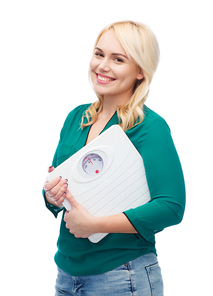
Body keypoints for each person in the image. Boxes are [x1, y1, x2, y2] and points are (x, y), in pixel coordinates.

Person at [43, 20, 185, 296]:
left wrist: (96, 226)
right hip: (67, 273)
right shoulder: (77, 118)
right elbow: (58, 188)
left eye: (118, 59)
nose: (102, 66)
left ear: (140, 72)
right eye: (99, 54)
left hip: (121, 274)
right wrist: (52, 195)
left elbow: (171, 206)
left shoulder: (149, 127)